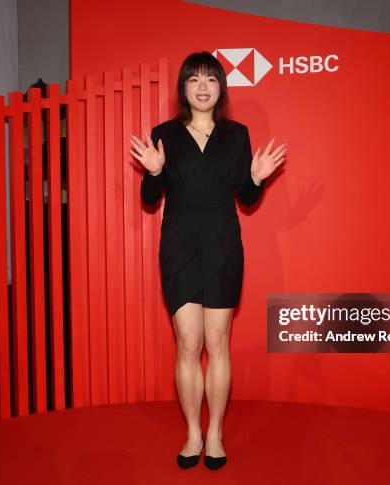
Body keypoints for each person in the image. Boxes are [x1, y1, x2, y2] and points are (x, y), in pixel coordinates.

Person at [129, 51, 286, 470]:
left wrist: (256, 177)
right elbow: (149, 201)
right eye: (194, 79)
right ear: (183, 88)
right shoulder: (163, 133)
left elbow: (247, 200)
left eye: (211, 80)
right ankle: (192, 433)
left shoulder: (237, 134)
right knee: (187, 344)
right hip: (179, 245)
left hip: (222, 244)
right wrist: (154, 172)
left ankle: (214, 432)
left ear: (221, 88)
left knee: (218, 344)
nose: (202, 87)